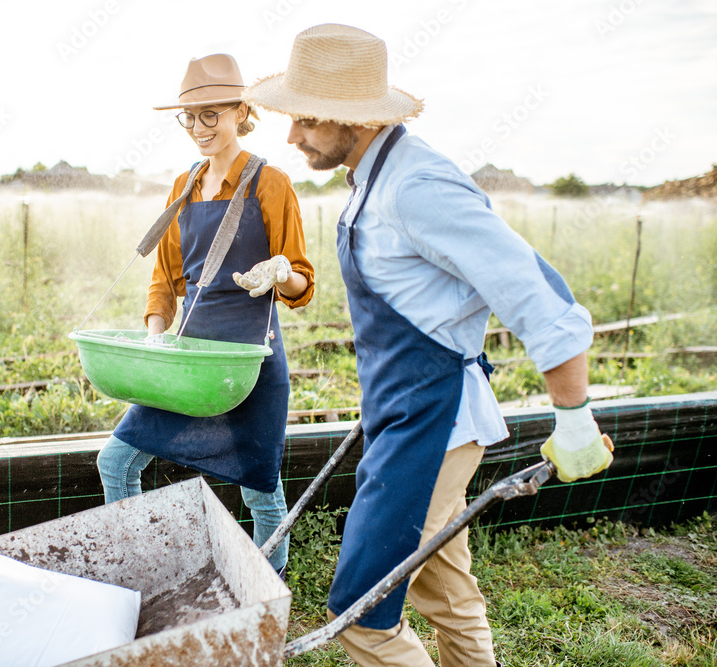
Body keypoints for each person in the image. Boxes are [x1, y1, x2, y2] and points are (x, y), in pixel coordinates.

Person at [243, 24, 614, 666]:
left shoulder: (417, 187)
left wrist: (574, 417)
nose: (292, 135)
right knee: (446, 589)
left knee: (359, 613)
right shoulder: (372, 179)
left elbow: (539, 296)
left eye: (305, 118)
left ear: (352, 118)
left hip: (434, 425)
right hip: (406, 411)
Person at [96, 53, 315, 575]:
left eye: (210, 115)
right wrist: (154, 336)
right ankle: (140, 568)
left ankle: (266, 584)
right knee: (116, 461)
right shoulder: (184, 185)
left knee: (260, 489)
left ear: (241, 112)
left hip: (249, 361)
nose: (198, 128)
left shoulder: (271, 183)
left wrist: (281, 272)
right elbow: (164, 279)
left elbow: (303, 284)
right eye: (190, 117)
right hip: (189, 363)